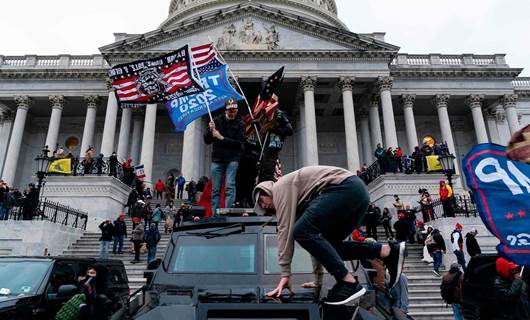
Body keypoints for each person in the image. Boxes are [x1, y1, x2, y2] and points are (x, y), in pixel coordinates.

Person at [252, 166, 406, 305]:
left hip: (345, 189)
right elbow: (317, 244)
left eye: (261, 200)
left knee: (300, 231)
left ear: (267, 190)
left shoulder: (280, 188)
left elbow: (285, 232)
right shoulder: (298, 200)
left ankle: (348, 282)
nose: (263, 206)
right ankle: (386, 251)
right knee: (329, 245)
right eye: (261, 207)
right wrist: (318, 280)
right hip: (357, 194)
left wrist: (285, 273)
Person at [204, 98, 245, 215]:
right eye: (230, 111)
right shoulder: (216, 121)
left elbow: (240, 144)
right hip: (218, 159)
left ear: (237, 110)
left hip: (232, 159)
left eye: (234, 111)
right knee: (215, 189)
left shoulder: (240, 123)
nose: (232, 113)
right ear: (225, 110)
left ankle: (228, 212)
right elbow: (207, 140)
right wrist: (210, 130)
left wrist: (222, 138)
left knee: (229, 186)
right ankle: (215, 214)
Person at [256, 109, 294, 182]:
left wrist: (275, 129)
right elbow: (263, 132)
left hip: (273, 151)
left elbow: (289, 130)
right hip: (264, 150)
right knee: (262, 174)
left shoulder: (279, 115)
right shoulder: (266, 119)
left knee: (268, 174)